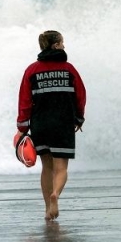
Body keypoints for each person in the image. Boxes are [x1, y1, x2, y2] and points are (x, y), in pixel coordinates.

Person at [16, 30, 86, 220]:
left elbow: (24, 100)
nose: (64, 45)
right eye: (62, 42)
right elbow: (80, 95)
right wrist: (79, 118)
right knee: (61, 168)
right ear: (55, 45)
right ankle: (56, 194)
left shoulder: (32, 70)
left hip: (40, 123)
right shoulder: (69, 69)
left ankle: (48, 207)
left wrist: (22, 126)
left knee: (46, 167)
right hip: (63, 123)